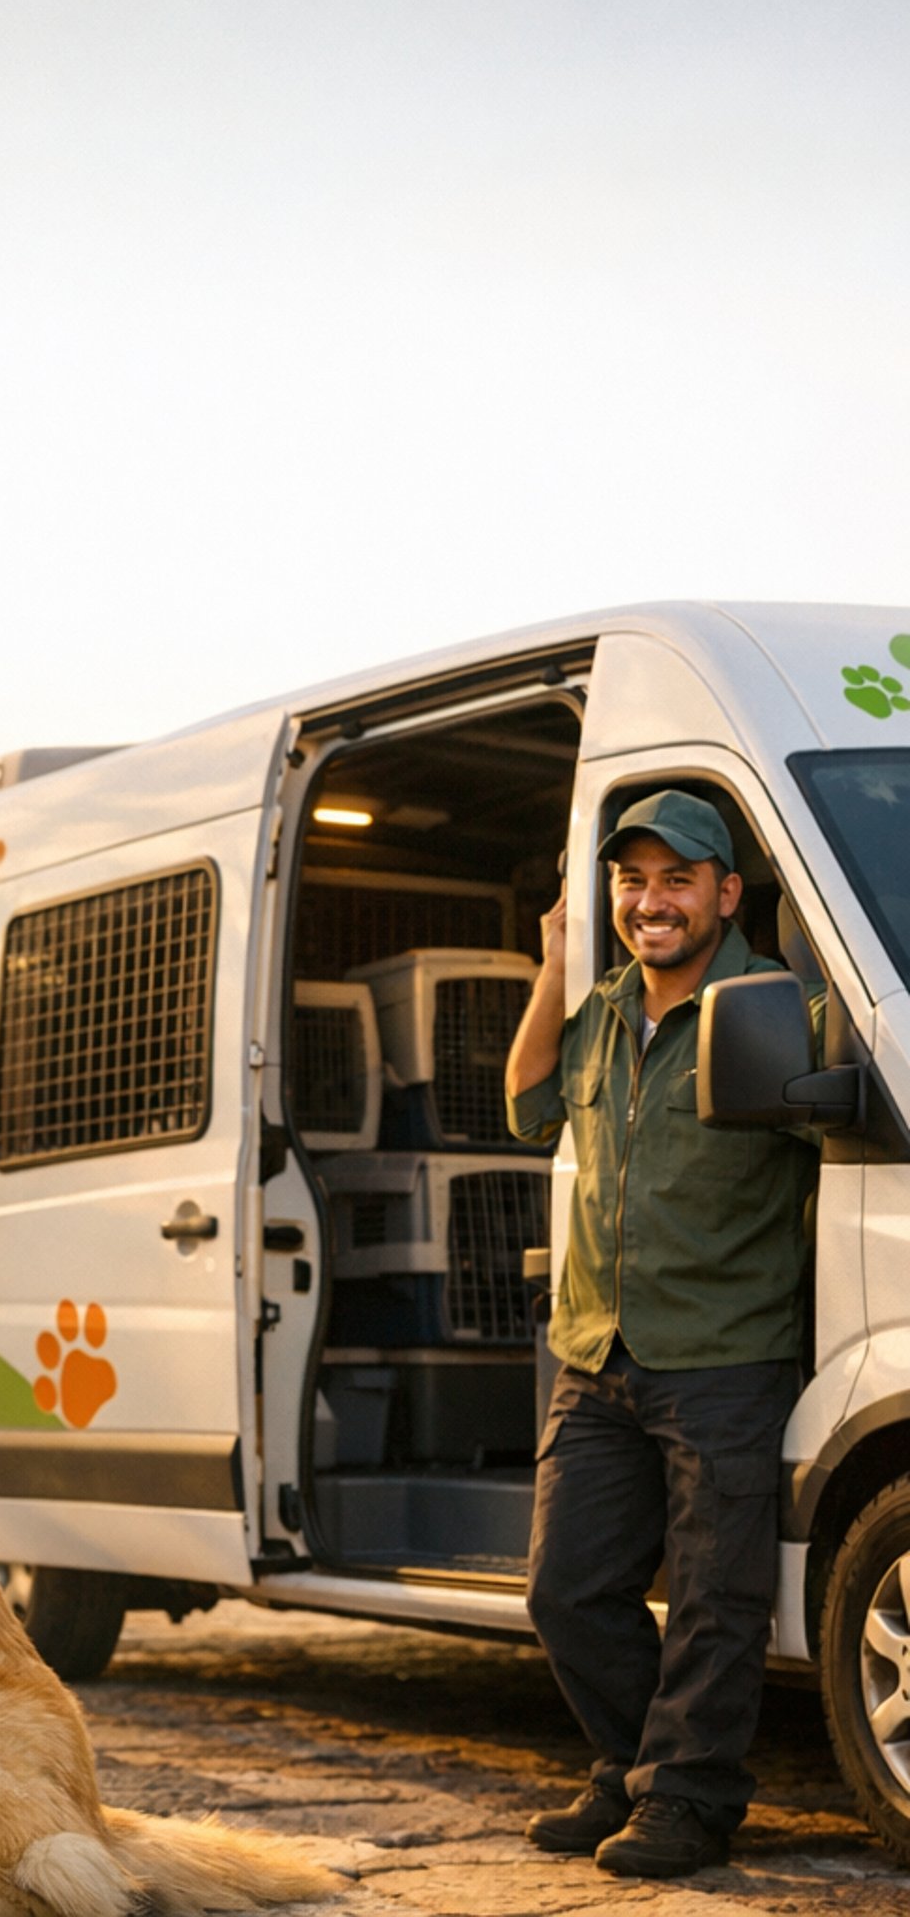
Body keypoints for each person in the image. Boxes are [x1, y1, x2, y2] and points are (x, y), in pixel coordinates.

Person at [505, 790, 819, 1879]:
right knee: (566, 1589)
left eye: (676, 880)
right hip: (597, 1350)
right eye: (630, 881)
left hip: (725, 1349)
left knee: (712, 1597)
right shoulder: (597, 1007)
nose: (651, 902)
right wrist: (554, 963)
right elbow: (527, 1104)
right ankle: (631, 1765)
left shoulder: (778, 1006)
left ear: (725, 894)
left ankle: (689, 1800)